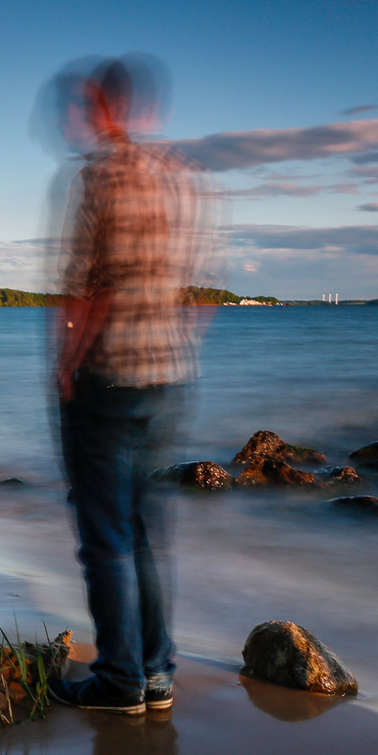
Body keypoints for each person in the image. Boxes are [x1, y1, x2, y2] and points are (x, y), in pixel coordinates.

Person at [45, 55, 220, 714]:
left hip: (109, 378)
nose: (74, 121)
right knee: (148, 528)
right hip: (172, 377)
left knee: (105, 536)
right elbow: (202, 292)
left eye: (82, 108)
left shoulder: (99, 177)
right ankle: (158, 672)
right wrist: (182, 341)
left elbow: (92, 288)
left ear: (108, 108)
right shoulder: (188, 178)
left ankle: (119, 680)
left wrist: (65, 363)